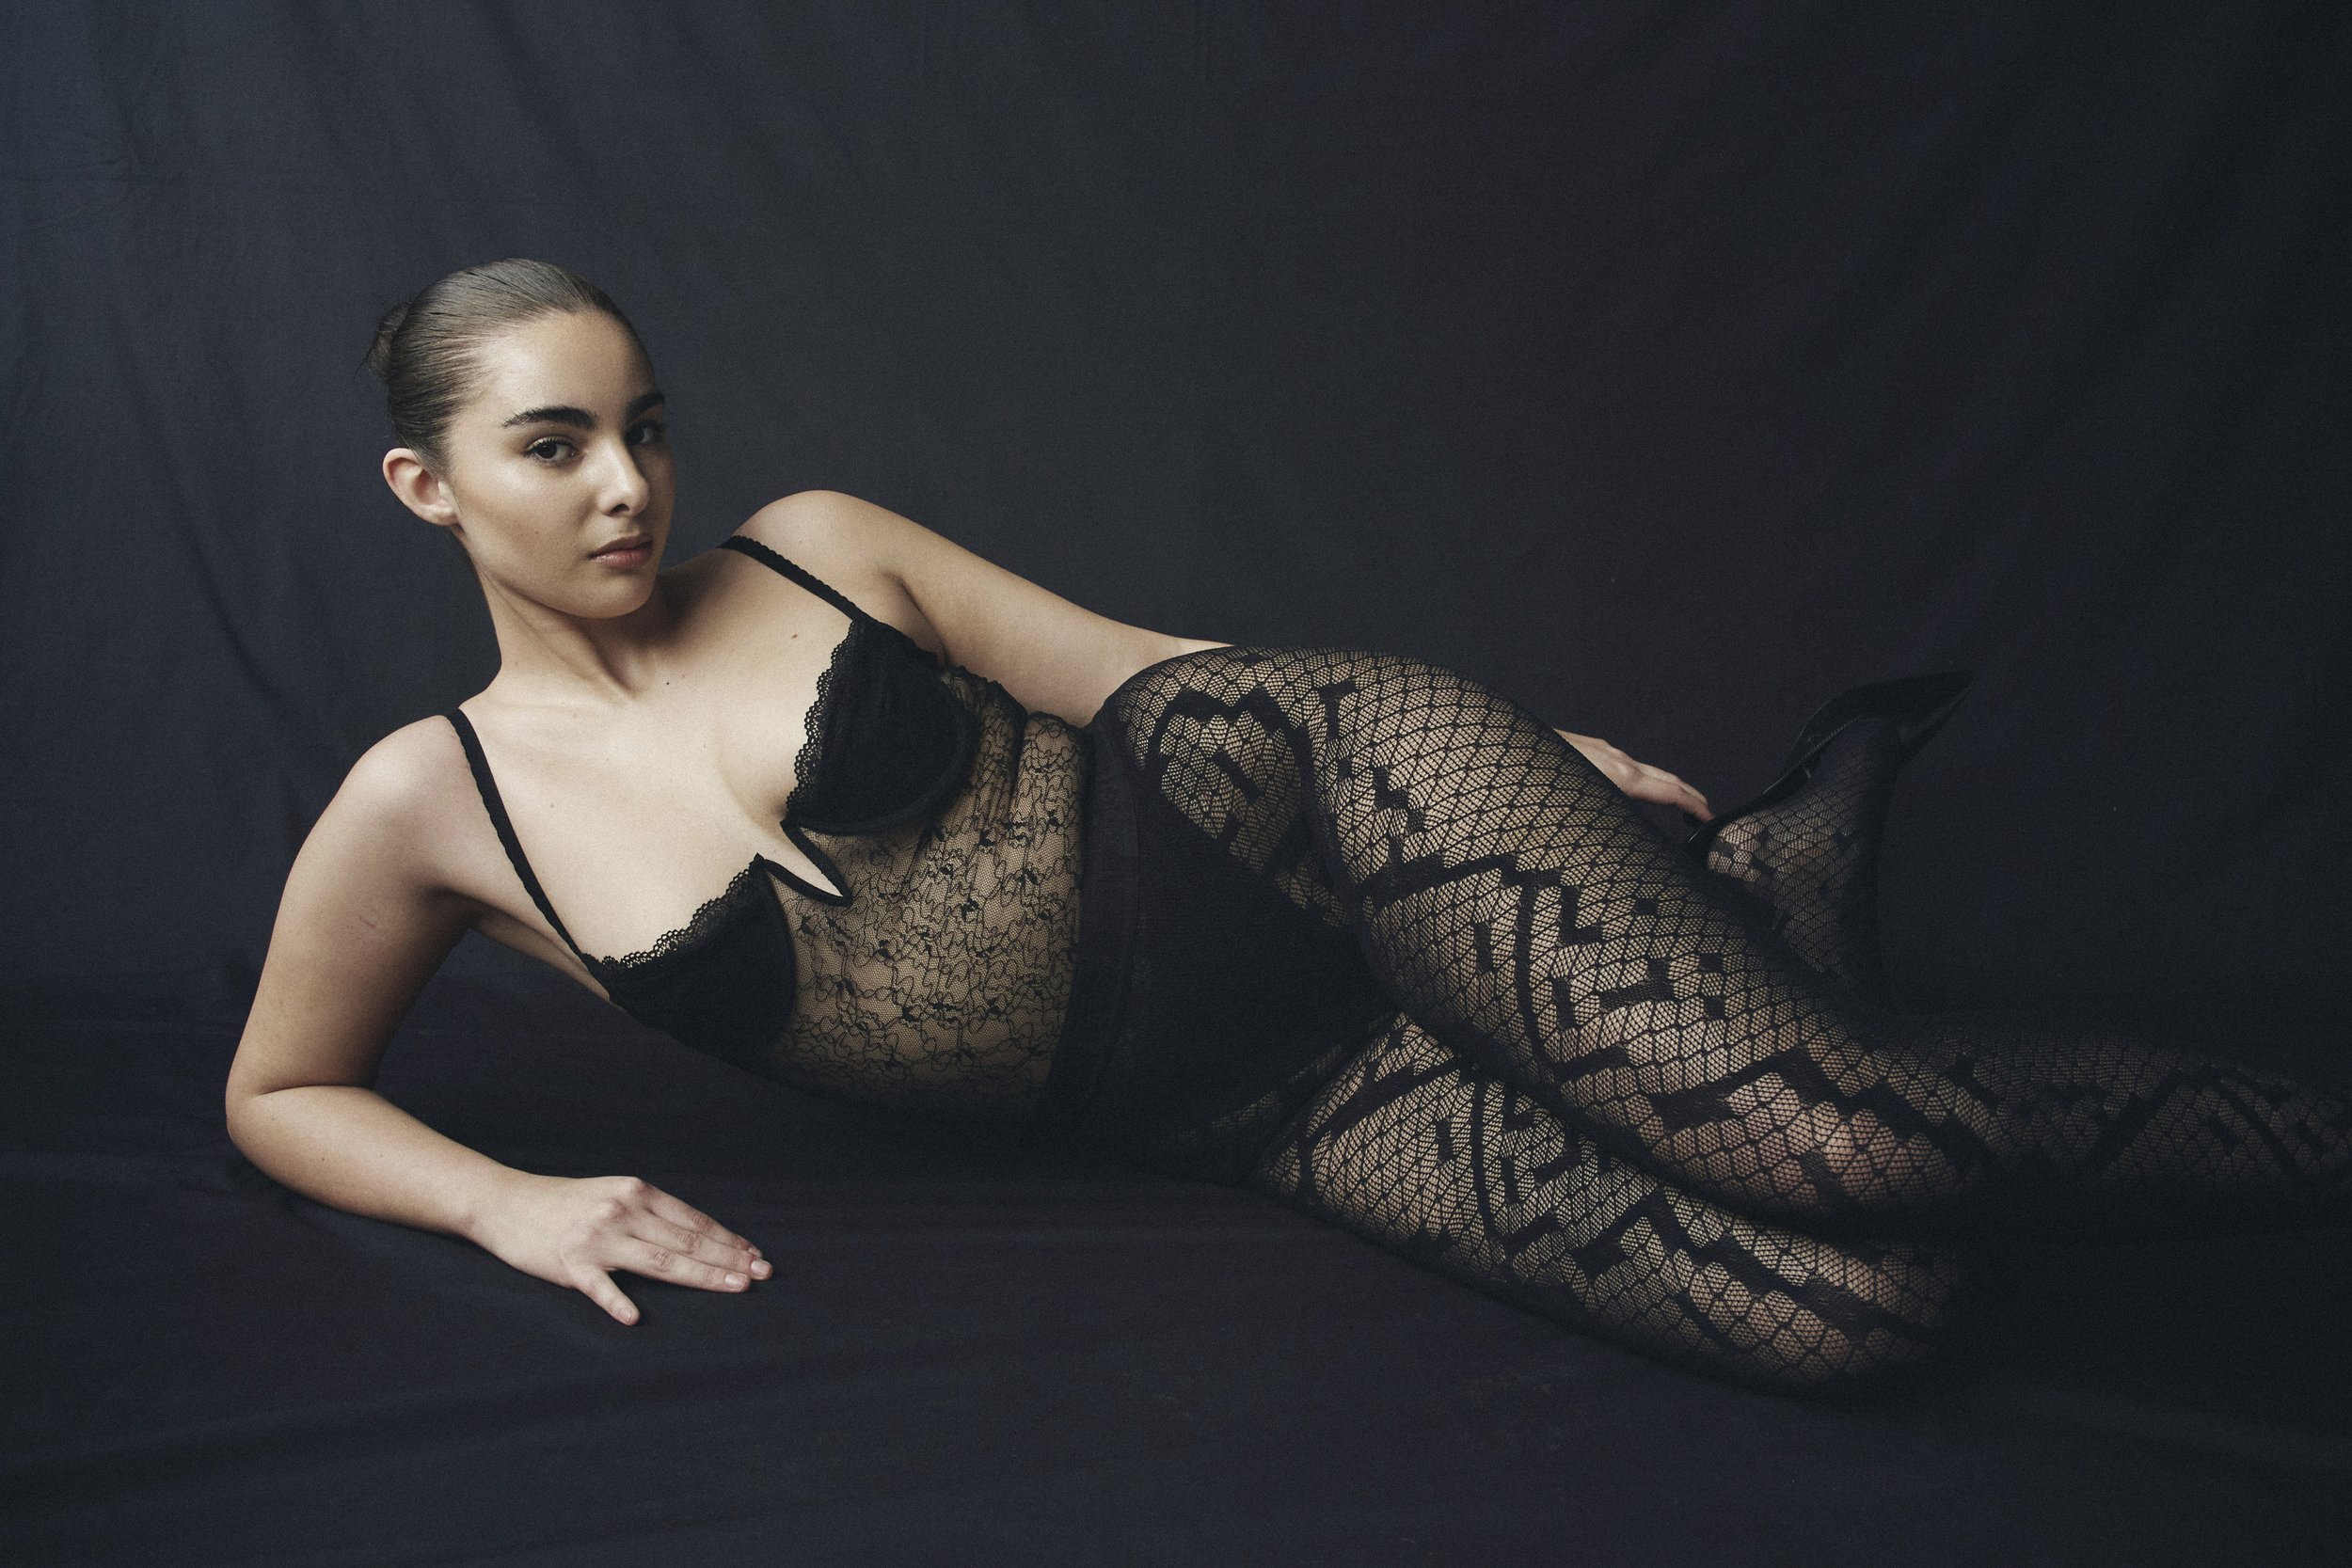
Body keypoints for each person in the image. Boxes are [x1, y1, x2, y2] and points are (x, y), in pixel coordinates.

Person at [224, 259, 2351, 1394]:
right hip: (1279, 1100)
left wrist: (1525, 764)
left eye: (645, 427)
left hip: (1305, 810)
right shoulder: (430, 804)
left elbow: (1141, 670)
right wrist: (506, 1205)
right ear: (428, 485)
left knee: (1840, 1141)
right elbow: (280, 1089)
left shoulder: (813, 547)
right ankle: (1781, 888)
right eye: (554, 445)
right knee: (1860, 1317)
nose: (626, 486)